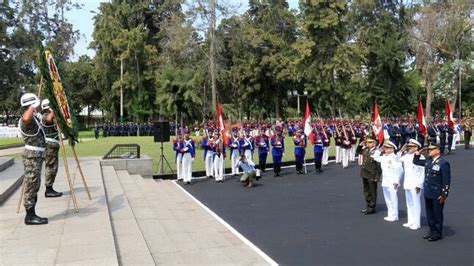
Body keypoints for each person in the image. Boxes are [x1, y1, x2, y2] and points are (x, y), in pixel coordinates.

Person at [18, 93, 49, 225]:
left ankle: (32, 213)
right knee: (31, 184)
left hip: (36, 157)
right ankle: (29, 216)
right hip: (31, 157)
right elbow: (25, 119)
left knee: (35, 184)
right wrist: (31, 106)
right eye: (34, 104)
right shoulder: (26, 118)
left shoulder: (35, 118)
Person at [413, 143, 451, 242]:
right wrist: (418, 153)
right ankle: (431, 231)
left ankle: (437, 233)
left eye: (431, 149)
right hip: (428, 192)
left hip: (437, 193)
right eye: (428, 150)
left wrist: (444, 194)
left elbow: (446, 180)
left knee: (437, 214)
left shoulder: (443, 163)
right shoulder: (428, 161)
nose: (429, 151)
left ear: (438, 150)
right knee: (429, 214)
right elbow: (416, 161)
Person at [397, 139, 424, 230]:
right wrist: (401, 150)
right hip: (407, 183)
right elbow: (397, 159)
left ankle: (417, 223)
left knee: (416, 204)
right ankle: (410, 221)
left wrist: (419, 184)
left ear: (416, 147)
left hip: (415, 184)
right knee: (409, 203)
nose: (409, 148)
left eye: (411, 147)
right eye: (408, 146)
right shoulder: (406, 156)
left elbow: (422, 173)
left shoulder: (420, 157)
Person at [374, 140, 403, 222]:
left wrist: (396, 181)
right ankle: (390, 214)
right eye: (385, 148)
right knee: (388, 199)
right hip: (385, 181)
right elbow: (375, 157)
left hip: (392, 182)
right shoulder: (383, 157)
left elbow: (400, 170)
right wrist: (379, 150)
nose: (385, 149)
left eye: (387, 148)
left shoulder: (395, 158)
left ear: (392, 149)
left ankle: (394, 215)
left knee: (393, 199)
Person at [40, 99, 63, 198]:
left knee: (54, 167)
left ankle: (50, 187)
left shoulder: (51, 115)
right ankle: (48, 190)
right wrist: (54, 109)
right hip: (49, 145)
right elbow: (49, 119)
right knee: (51, 167)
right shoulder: (45, 115)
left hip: (53, 145)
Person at [359, 136, 382, 215]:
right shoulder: (366, 149)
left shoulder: (377, 152)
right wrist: (360, 144)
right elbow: (358, 152)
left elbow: (379, 165)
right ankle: (368, 205)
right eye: (367, 142)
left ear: (374, 143)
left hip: (372, 174)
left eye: (370, 142)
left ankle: (372, 207)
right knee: (366, 191)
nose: (368, 143)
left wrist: (377, 177)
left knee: (372, 191)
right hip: (364, 173)